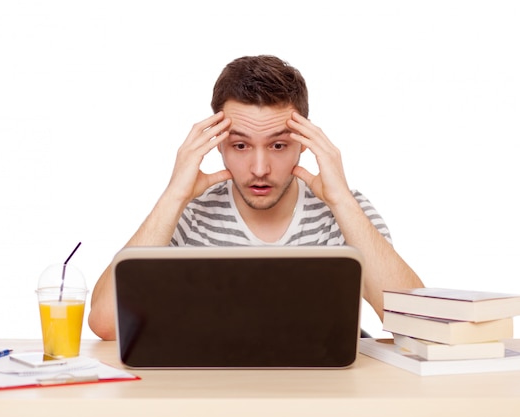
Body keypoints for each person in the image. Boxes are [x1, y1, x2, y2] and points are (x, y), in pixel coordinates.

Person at [88, 55, 424, 341]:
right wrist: (174, 195)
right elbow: (106, 322)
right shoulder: (189, 215)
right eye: (240, 145)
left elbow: (418, 324)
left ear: (305, 141)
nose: (260, 168)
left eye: (278, 146)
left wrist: (342, 202)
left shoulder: (347, 211)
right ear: (216, 143)